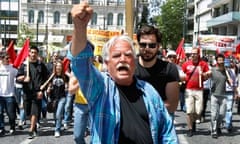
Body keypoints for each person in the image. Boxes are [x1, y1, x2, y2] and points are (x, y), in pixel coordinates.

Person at [68, 2, 178, 143]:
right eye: (116, 56)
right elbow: (80, 62)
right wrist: (80, 27)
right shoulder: (101, 88)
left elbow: (166, 132)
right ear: (106, 63)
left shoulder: (149, 91)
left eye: (128, 55)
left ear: (134, 61)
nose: (123, 59)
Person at [135, 25, 180, 120]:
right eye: (143, 45)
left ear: (158, 46)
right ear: (138, 44)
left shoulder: (169, 69)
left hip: (160, 121)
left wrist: (140, 108)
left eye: (152, 45)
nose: (147, 49)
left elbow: (172, 105)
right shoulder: (130, 67)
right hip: (134, 122)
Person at [16, 46, 48, 139]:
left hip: (37, 92)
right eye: (32, 52)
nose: (33, 54)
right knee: (28, 112)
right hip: (26, 92)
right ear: (29, 53)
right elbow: (17, 78)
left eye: (35, 52)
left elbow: (46, 79)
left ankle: (31, 129)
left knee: (35, 111)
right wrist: (23, 78)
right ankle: (34, 126)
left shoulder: (41, 65)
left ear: (37, 54)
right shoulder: (24, 65)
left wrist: (42, 90)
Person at [181, 47, 211, 137]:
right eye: (192, 53)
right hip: (189, 90)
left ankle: (194, 121)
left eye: (195, 53)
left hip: (199, 90)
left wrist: (206, 74)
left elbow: (209, 73)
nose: (193, 55)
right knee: (189, 111)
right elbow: (182, 74)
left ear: (198, 54)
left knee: (198, 111)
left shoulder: (203, 64)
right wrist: (181, 80)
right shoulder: (186, 64)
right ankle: (190, 129)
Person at [210, 54, 231, 138]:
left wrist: (228, 77)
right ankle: (214, 131)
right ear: (216, 61)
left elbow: (230, 82)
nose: (221, 61)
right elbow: (206, 76)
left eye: (222, 60)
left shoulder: (226, 71)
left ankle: (218, 126)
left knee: (222, 114)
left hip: (223, 95)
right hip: (214, 95)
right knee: (214, 114)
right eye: (219, 60)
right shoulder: (213, 70)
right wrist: (205, 74)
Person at [46, 60, 69, 138]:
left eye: (60, 66)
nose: (58, 67)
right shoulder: (52, 75)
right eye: (57, 66)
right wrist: (48, 89)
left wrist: (67, 87)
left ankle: (57, 130)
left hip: (62, 98)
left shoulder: (65, 76)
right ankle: (57, 125)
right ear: (55, 67)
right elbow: (49, 85)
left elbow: (67, 85)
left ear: (62, 67)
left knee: (59, 114)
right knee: (55, 115)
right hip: (53, 98)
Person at [0, 52, 18, 136]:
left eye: (9, 58)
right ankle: (2, 128)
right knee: (0, 113)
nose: (8, 60)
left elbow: (19, 75)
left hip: (10, 95)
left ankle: (12, 127)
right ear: (2, 59)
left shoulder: (12, 68)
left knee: (11, 114)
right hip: (0, 95)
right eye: (6, 58)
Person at [224, 58, 238, 133]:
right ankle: (226, 122)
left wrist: (236, 93)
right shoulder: (220, 72)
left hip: (230, 92)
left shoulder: (232, 72)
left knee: (229, 109)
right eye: (225, 66)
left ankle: (228, 124)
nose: (227, 68)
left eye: (228, 66)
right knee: (222, 110)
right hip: (221, 93)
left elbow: (235, 84)